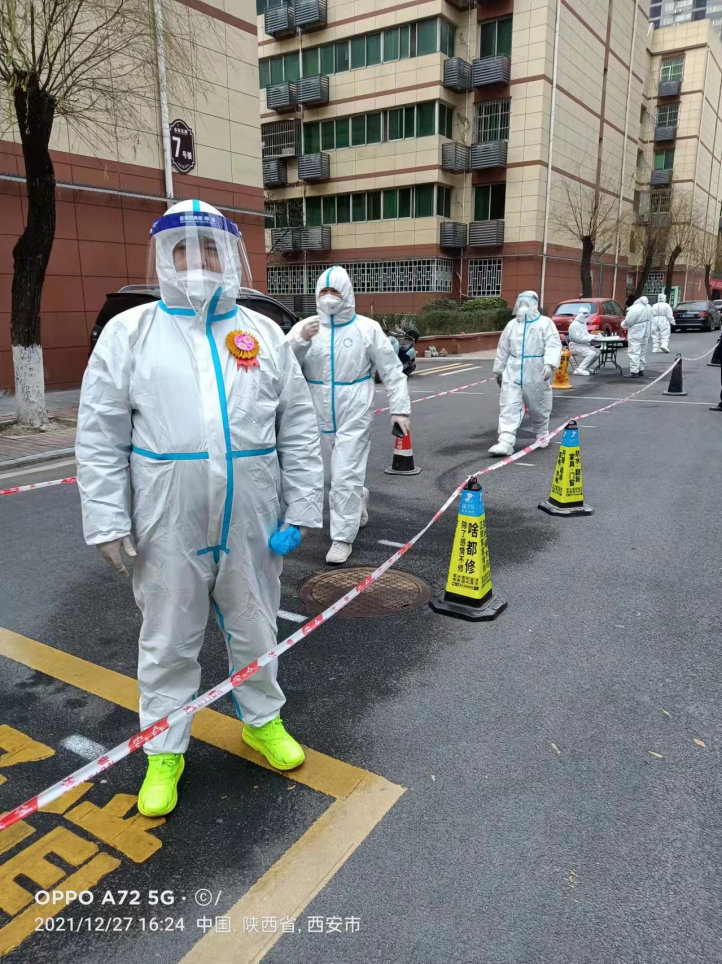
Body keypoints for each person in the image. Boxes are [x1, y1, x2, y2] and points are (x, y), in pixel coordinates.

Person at [76, 199, 324, 818]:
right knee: (168, 636)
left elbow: (297, 425)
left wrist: (300, 505)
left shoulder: (264, 335)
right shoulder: (130, 333)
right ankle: (164, 751)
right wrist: (107, 519)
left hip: (251, 515)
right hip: (166, 520)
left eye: (210, 248)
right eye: (184, 248)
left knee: (256, 620)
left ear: (230, 255)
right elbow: (100, 434)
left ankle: (262, 719)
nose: (198, 260)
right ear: (165, 255)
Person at [287, 266, 411, 564]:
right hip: (314, 410)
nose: (329, 297)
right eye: (324, 291)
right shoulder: (306, 328)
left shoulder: (367, 329)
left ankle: (342, 537)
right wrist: (299, 340)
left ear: (347, 294)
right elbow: (281, 366)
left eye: (335, 291)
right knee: (326, 476)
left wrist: (400, 410)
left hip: (354, 408)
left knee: (346, 474)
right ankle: (359, 499)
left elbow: (392, 371)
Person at [489, 290, 562, 456]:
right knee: (509, 405)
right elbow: (503, 348)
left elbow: (553, 344)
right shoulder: (512, 325)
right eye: (520, 302)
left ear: (534, 304)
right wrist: (499, 370)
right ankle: (505, 441)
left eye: (526, 303)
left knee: (538, 404)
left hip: (536, 369)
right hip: (513, 370)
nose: (522, 306)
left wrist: (549, 364)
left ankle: (542, 433)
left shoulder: (545, 323)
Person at [621, 295, 653, 377]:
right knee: (642, 351)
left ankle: (634, 371)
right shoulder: (648, 307)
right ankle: (641, 369)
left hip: (636, 331)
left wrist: (623, 324)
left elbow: (629, 321)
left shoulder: (635, 308)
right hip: (646, 330)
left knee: (634, 351)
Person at [567, 307, 599, 376]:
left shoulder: (583, 324)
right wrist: (590, 338)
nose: (587, 318)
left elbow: (586, 335)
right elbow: (576, 339)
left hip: (584, 345)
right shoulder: (574, 325)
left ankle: (586, 367)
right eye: (586, 316)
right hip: (575, 346)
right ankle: (580, 369)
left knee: (597, 352)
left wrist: (593, 336)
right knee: (591, 353)